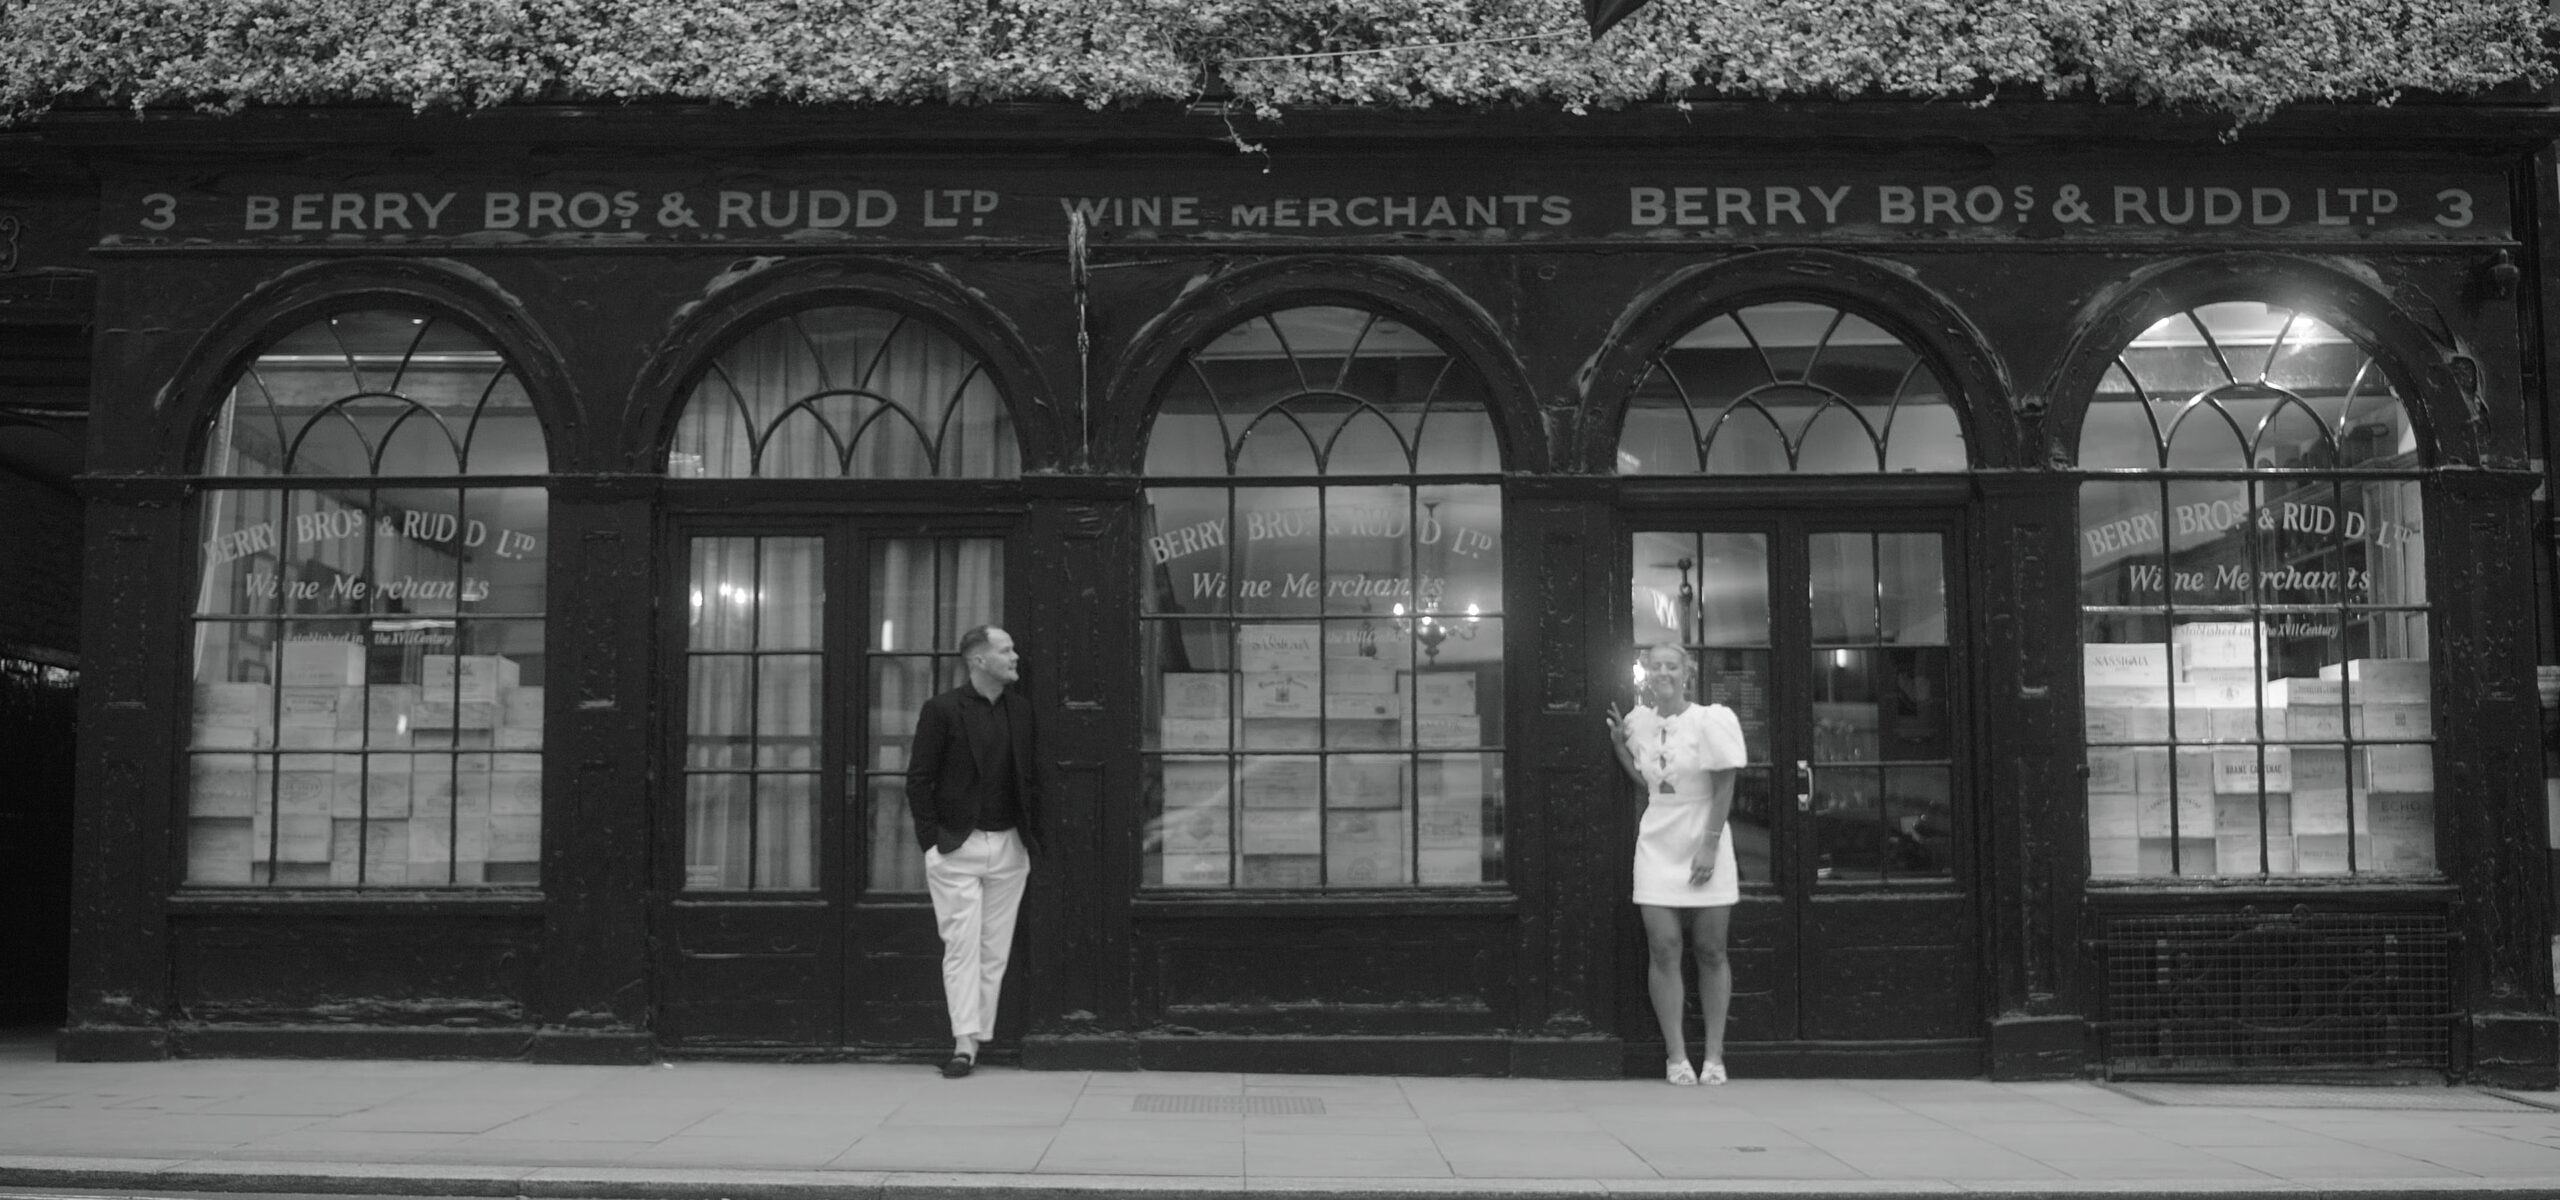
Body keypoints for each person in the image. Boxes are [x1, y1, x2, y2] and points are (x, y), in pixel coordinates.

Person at [1604, 642, 1746, 1086]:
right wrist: (1620, 749)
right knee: (1663, 946)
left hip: (1705, 834)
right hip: (1658, 839)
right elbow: (1649, 782)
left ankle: (1715, 1056)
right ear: (1645, 672)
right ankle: (1676, 1056)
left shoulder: (1710, 720)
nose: (1663, 672)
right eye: (1655, 666)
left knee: (1710, 948)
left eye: (1672, 666)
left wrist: (1709, 844)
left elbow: (1725, 786)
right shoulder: (1638, 722)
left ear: (1687, 672)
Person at [906, 624, 1043, 1078]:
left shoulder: (1021, 711)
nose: (1015, 656)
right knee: (961, 947)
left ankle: (978, 1035)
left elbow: (1030, 779)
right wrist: (933, 843)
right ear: (979, 660)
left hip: (1009, 846)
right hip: (956, 847)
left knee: (994, 949)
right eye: (1006, 650)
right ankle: (963, 1042)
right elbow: (919, 780)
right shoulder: (942, 710)